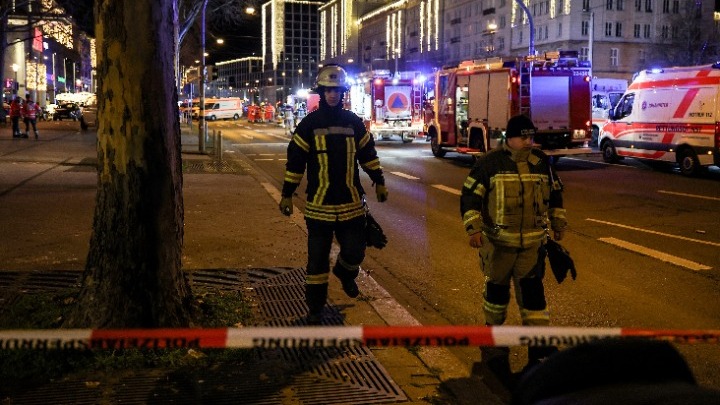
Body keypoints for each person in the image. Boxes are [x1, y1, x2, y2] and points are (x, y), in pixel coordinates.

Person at [279, 64, 388, 325]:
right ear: (321, 92)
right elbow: (295, 163)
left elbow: (368, 155)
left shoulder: (353, 123)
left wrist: (379, 181)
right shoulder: (309, 125)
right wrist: (287, 194)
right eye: (328, 90)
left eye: (337, 90)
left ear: (342, 93)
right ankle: (315, 309)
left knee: (355, 252)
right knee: (316, 264)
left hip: (351, 205)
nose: (332, 95)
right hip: (319, 207)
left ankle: (345, 273)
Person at [460, 114, 567, 378]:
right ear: (510, 138)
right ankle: (493, 340)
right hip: (499, 246)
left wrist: (558, 223)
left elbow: (555, 194)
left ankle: (539, 347)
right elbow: (470, 196)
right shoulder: (490, 163)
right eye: (523, 137)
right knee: (496, 295)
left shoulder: (541, 163)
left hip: (531, 246)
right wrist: (473, 228)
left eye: (531, 137)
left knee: (533, 297)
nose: (529, 142)